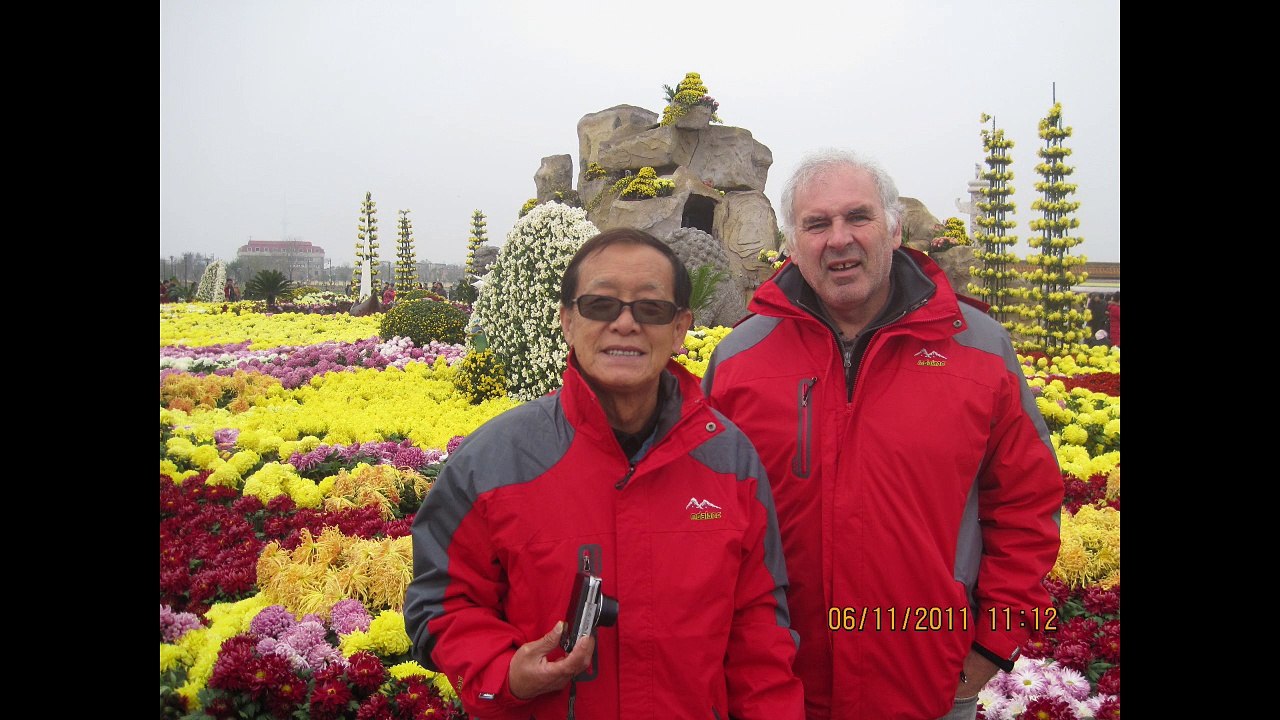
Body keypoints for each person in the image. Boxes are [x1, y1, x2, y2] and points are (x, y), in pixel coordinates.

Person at [702, 150, 1063, 720]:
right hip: (775, 690)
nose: (838, 239)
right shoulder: (740, 359)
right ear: (792, 242)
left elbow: (1027, 503)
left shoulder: (979, 348)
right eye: (817, 223)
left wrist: (993, 645)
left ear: (893, 229)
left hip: (928, 686)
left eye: (858, 217)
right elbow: (702, 518)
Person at [404, 228, 804, 719]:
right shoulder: (492, 462)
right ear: (567, 320)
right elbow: (440, 604)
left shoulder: (729, 459)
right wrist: (504, 672)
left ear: (680, 328)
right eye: (601, 305)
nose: (625, 324)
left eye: (651, 309)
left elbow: (760, 632)